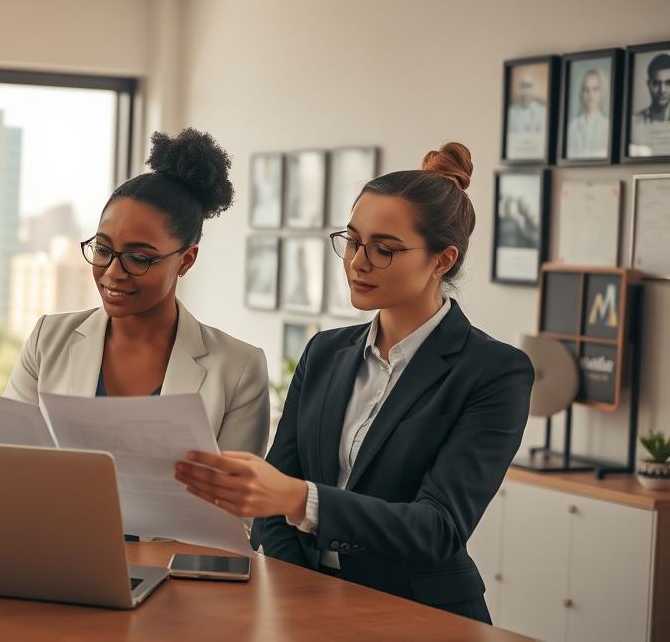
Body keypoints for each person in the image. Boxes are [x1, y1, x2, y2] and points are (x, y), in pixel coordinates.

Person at [175, 142, 533, 623]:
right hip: (305, 605)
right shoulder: (325, 352)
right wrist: (301, 593)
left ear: (443, 260)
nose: (357, 262)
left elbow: (439, 528)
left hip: (423, 617)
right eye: (352, 240)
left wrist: (299, 498)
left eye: (384, 249)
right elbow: (271, 508)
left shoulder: (494, 371)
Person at [4, 129, 269, 456]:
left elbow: (237, 502)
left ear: (186, 260)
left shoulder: (237, 368)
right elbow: (9, 458)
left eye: (139, 258)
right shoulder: (48, 340)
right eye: (103, 249)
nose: (113, 272)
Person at [630, 53, 670, 157]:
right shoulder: (633, 123)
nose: (662, 90)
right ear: (649, 84)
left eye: (668, 83)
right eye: (656, 84)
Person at [566, 67, 610, 159]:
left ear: (601, 93)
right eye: (586, 90)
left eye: (595, 89)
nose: (591, 95)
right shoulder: (573, 126)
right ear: (582, 93)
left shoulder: (607, 126)